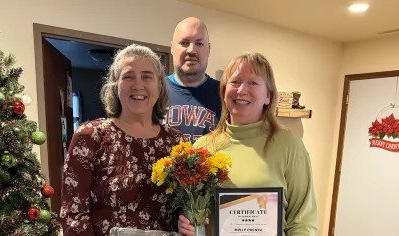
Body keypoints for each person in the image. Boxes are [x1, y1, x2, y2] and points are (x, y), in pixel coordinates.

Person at [177, 52, 318, 236]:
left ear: (268, 96)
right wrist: (186, 224)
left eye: (253, 82)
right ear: (224, 91)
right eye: (235, 82)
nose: (241, 90)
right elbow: (192, 214)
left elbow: (303, 222)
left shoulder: (290, 145)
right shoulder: (202, 148)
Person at [59, 44, 186, 235]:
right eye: (128, 76)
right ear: (115, 86)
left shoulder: (176, 143)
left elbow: (185, 208)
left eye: (146, 76)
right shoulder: (90, 136)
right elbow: (74, 215)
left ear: (159, 86)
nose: (138, 85)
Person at [163, 17, 221, 143]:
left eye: (199, 44)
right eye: (184, 43)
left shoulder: (225, 93)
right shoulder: (154, 90)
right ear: (172, 48)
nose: (191, 50)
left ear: (208, 49)